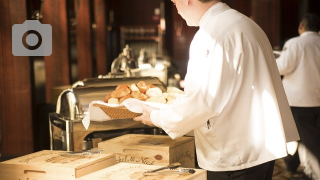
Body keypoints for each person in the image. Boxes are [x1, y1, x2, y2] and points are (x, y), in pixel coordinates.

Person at [133, 0, 300, 179]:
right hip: (259, 144)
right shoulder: (246, 24)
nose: (177, 9)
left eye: (175, 3)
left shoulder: (211, 34)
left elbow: (203, 101)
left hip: (234, 153)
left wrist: (156, 117)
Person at [276, 13, 320, 180]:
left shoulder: (295, 43)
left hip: (300, 100)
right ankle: (292, 164)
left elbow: (283, 67)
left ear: (301, 26)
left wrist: (275, 60)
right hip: (317, 98)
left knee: (307, 141)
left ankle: (312, 175)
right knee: (308, 136)